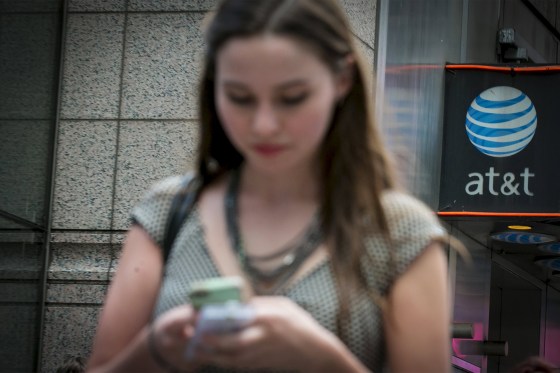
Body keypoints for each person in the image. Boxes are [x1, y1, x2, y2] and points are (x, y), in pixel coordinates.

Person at [87, 0, 452, 372]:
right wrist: (155, 348)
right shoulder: (168, 209)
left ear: (342, 80)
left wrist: (325, 361)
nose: (263, 125)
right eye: (239, 97)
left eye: (292, 98)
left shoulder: (400, 231)